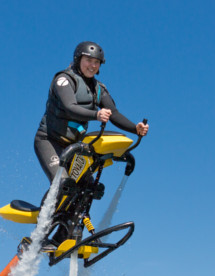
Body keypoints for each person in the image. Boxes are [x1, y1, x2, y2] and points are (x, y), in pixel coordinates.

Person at [34, 41, 149, 182]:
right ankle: (48, 205)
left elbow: (114, 114)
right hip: (49, 141)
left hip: (74, 146)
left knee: (87, 188)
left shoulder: (99, 89)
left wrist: (135, 128)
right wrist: (96, 115)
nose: (93, 66)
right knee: (63, 183)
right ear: (78, 59)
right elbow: (70, 108)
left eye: (97, 62)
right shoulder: (63, 79)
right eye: (88, 60)